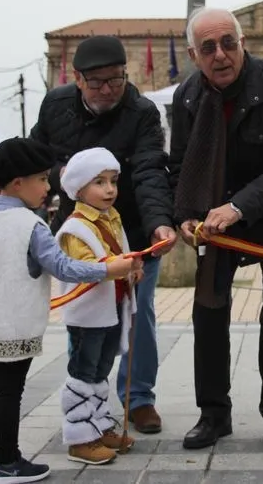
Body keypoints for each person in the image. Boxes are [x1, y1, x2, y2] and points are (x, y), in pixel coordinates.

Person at [0, 137, 137, 483]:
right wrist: (106, 270)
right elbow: (63, 267)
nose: (48, 188)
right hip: (15, 323)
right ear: (19, 183)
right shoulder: (30, 225)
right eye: (42, 180)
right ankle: (7, 461)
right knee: (9, 390)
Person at [169, 6, 263, 454]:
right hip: (217, 219)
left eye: (228, 43)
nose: (221, 54)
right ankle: (213, 414)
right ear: (195, 54)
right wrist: (187, 214)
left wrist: (237, 207)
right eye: (208, 47)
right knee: (208, 310)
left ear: (242, 42)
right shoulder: (187, 96)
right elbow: (180, 166)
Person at [29, 35, 175, 434]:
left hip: (131, 230)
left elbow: (149, 169)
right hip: (78, 234)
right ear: (78, 79)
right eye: (97, 82)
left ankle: (139, 397)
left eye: (117, 79)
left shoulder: (143, 112)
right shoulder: (55, 105)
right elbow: (35, 158)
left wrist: (160, 221)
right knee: (84, 316)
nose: (109, 90)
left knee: (136, 313)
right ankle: (88, 397)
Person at [54, 147, 143, 465]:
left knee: (102, 370)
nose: (109, 189)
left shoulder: (112, 218)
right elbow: (84, 267)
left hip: (112, 309)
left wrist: (133, 268)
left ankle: (99, 424)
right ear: (79, 189)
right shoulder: (75, 228)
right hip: (88, 315)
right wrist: (116, 266)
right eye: (100, 182)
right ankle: (79, 438)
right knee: (83, 372)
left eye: (113, 181)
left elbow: (123, 255)